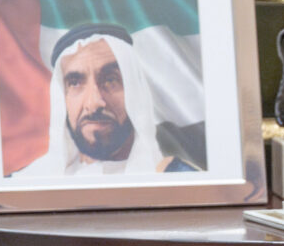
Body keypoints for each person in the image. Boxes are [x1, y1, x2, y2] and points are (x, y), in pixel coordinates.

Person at [14, 23, 201, 177]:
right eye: (75, 82)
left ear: (135, 92)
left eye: (111, 80)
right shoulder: (20, 187)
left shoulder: (179, 182)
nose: (94, 103)